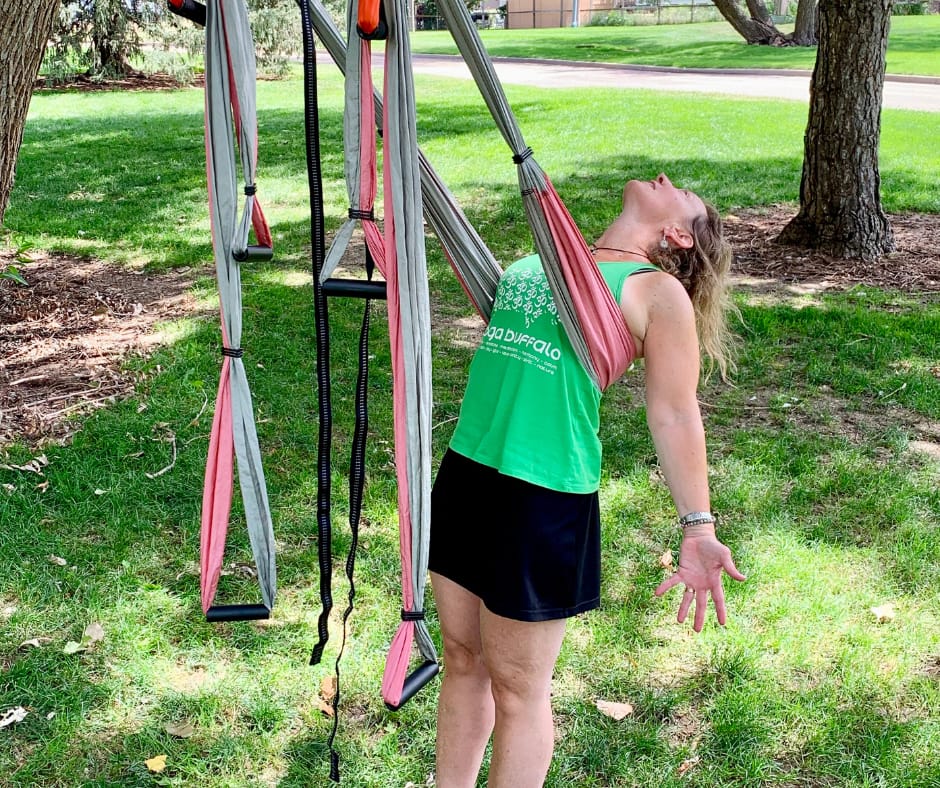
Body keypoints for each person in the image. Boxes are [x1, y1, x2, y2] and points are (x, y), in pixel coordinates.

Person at [428, 173, 747, 788]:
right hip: (469, 471)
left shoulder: (656, 292)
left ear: (678, 235)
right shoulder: (542, 259)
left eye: (682, 193)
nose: (666, 180)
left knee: (519, 687)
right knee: (464, 660)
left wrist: (698, 527)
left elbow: (675, 412)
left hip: (543, 494)